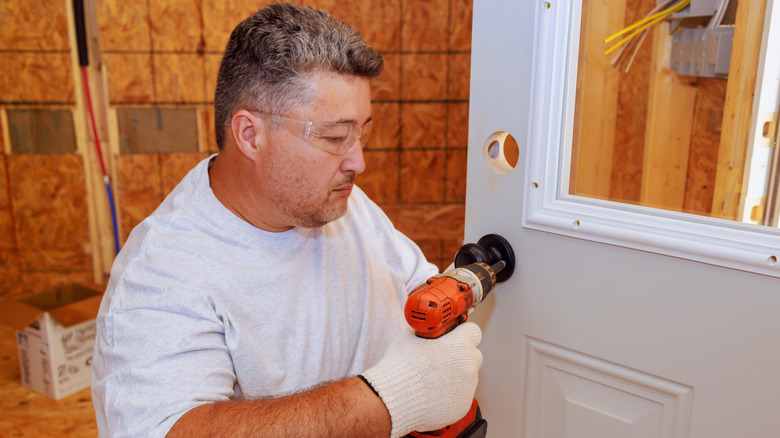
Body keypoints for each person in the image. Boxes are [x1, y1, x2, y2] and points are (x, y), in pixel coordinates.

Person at [91, 3, 482, 437]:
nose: (358, 160)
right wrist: (391, 398)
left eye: (362, 131)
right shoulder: (162, 276)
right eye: (335, 136)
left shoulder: (340, 204)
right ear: (250, 135)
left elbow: (419, 292)